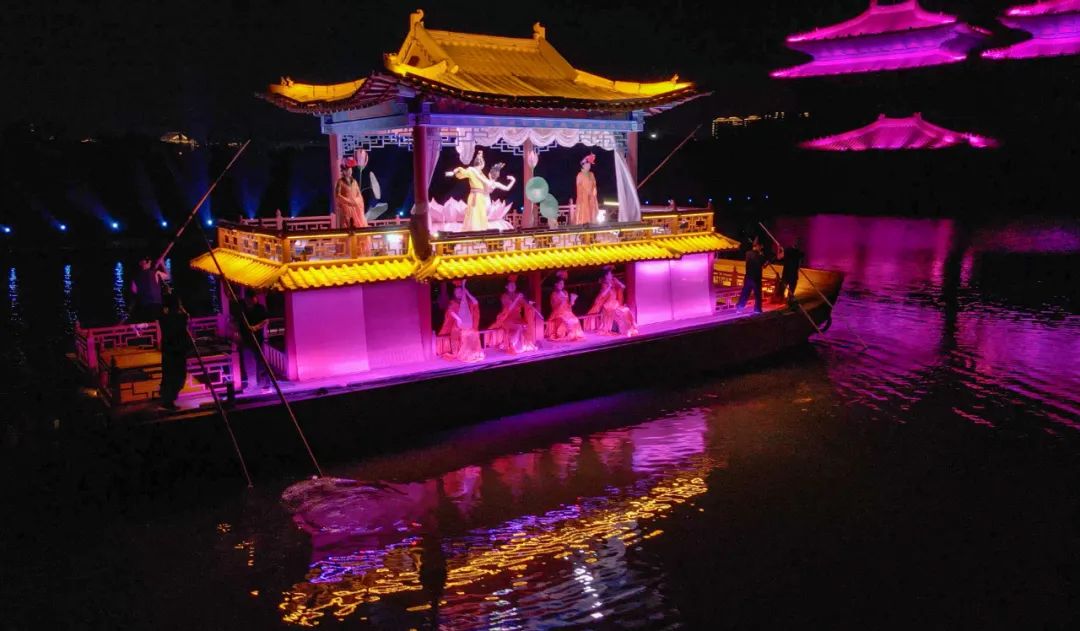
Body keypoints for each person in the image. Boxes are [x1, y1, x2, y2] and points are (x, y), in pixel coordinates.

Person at [438, 280, 484, 362]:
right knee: (465, 334)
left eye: (460, 292)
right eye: (457, 292)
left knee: (474, 332)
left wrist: (467, 292)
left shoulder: (467, 302)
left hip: (467, 325)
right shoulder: (453, 303)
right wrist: (458, 319)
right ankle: (465, 355)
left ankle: (475, 353)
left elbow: (476, 302)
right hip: (457, 327)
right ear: (454, 294)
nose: (458, 293)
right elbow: (450, 311)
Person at [158, 291, 190, 411]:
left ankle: (168, 400)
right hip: (177, 351)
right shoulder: (180, 318)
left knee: (169, 376)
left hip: (169, 351)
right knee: (177, 377)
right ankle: (168, 401)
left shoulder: (164, 318)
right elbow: (186, 316)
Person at [447, 150, 493, 232]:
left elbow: (487, 184)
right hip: (475, 195)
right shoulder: (471, 170)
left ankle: (482, 231)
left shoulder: (480, 173)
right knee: (474, 213)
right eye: (482, 163)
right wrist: (454, 172)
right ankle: (474, 231)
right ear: (482, 164)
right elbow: (462, 171)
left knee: (481, 213)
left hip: (481, 196)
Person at [492, 275, 537, 354]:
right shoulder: (504, 296)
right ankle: (512, 344)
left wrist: (530, 303)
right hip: (507, 318)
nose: (513, 286)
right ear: (506, 287)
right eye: (511, 285)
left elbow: (525, 304)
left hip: (517, 318)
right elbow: (509, 308)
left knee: (526, 325)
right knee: (519, 327)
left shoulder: (517, 295)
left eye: (514, 285)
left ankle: (523, 345)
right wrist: (517, 298)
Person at [236, 292, 271, 393]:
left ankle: (266, 385)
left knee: (261, 362)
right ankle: (251, 384)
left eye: (251, 299)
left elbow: (266, 320)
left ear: (255, 298)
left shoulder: (260, 308)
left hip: (257, 339)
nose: (249, 301)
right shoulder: (242, 307)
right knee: (248, 362)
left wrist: (256, 327)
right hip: (246, 339)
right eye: (248, 299)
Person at [588, 267, 637, 336]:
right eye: (610, 274)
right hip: (608, 306)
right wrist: (609, 287)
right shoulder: (604, 284)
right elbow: (602, 295)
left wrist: (618, 282)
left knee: (626, 310)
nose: (612, 275)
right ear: (606, 276)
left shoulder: (613, 282)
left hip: (615, 304)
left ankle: (629, 329)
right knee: (622, 312)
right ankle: (625, 331)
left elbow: (623, 287)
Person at [129, 255, 169, 323]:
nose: (150, 262)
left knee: (150, 325)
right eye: (148, 261)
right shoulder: (156, 272)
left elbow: (135, 291)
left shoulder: (135, 278)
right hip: (156, 306)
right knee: (157, 325)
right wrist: (162, 264)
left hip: (144, 307)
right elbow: (168, 277)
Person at [548, 272, 585, 341]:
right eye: (560, 284)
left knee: (575, 319)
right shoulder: (554, 294)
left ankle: (573, 334)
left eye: (563, 284)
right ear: (556, 284)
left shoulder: (565, 292)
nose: (562, 285)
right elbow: (554, 306)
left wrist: (572, 301)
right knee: (566, 321)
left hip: (567, 312)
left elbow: (568, 305)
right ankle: (563, 334)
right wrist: (562, 301)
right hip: (558, 313)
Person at [335, 158, 367, 229]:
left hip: (356, 208)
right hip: (346, 209)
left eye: (350, 169)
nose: (349, 171)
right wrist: (348, 201)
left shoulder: (354, 181)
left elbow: (359, 194)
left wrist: (356, 201)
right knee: (347, 226)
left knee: (359, 226)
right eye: (347, 170)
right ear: (343, 171)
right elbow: (338, 195)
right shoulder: (340, 182)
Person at [736, 239, 766, 314]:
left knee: (745, 293)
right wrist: (763, 257)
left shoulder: (748, 253)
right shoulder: (760, 256)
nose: (761, 248)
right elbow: (763, 265)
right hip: (756, 278)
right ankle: (757, 309)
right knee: (757, 294)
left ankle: (739, 308)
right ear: (758, 246)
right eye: (760, 246)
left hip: (748, 277)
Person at [777, 238, 804, 305]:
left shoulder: (793, 252)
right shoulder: (796, 252)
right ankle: (785, 302)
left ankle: (786, 303)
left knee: (788, 293)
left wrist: (779, 249)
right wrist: (779, 249)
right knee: (785, 292)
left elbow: (779, 257)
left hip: (789, 275)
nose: (796, 243)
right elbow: (779, 257)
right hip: (790, 275)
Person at [573, 153, 599, 225]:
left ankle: (592, 223)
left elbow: (594, 184)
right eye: (587, 164)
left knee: (592, 209)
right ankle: (583, 223)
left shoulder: (591, 174)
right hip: (583, 197)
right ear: (583, 165)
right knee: (584, 210)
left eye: (589, 165)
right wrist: (585, 192)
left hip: (591, 196)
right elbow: (578, 186)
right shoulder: (580, 175)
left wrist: (592, 192)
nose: (589, 166)